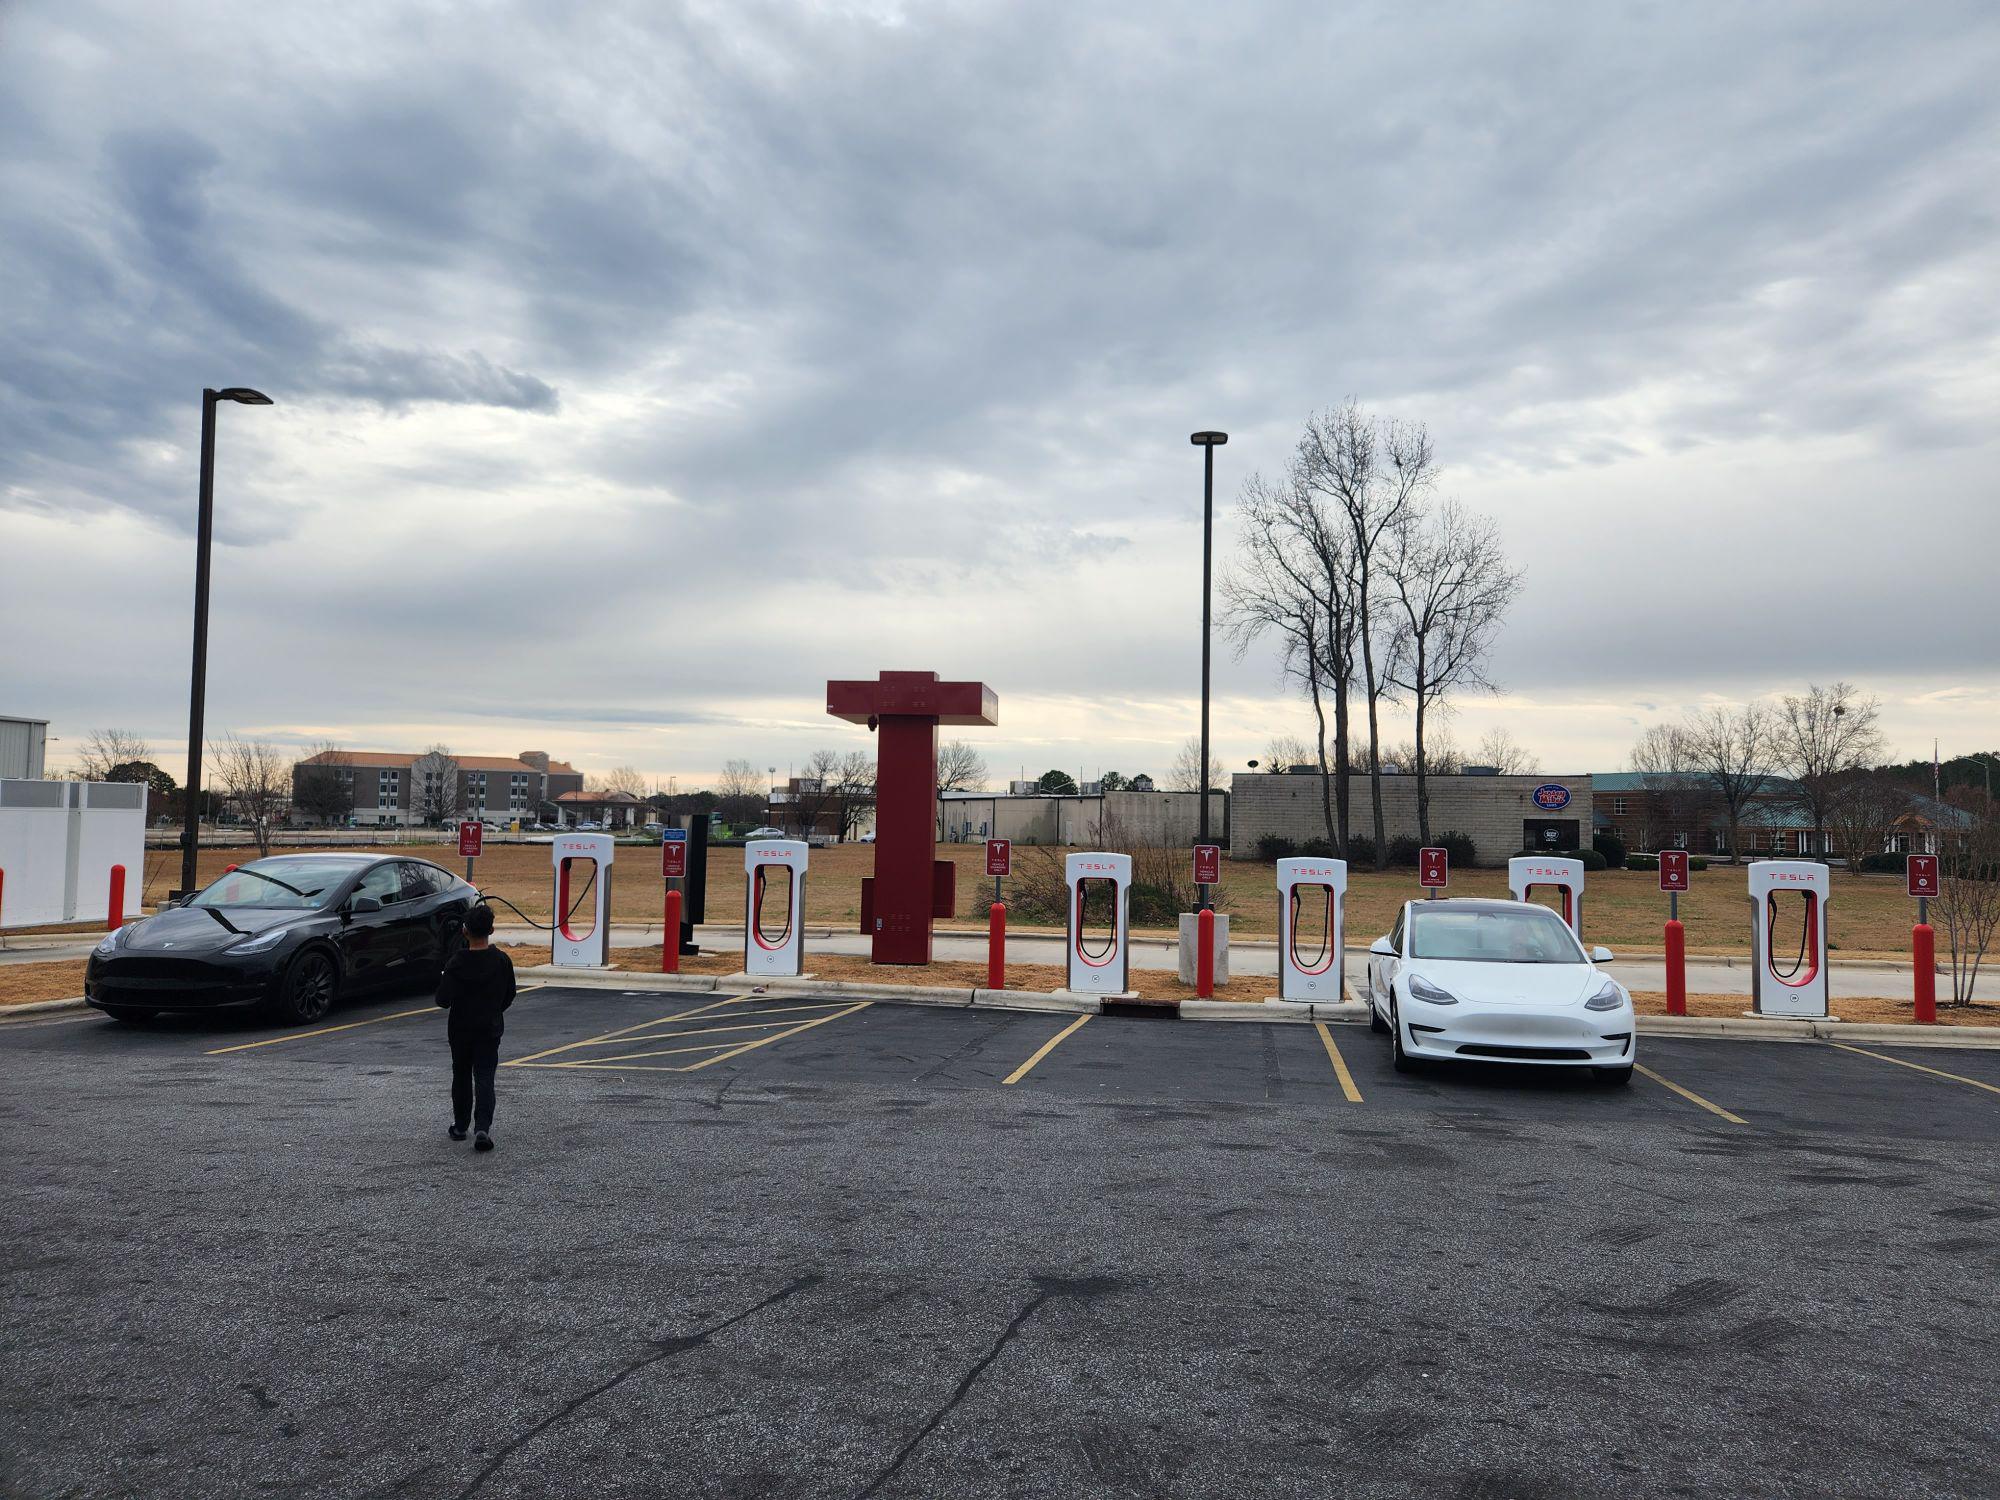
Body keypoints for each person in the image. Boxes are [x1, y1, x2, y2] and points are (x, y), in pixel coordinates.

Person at [435, 903, 515, 1151]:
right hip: (489, 1027)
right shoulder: (501, 961)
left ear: (464, 931)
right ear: (491, 930)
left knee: (461, 1074)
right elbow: (510, 994)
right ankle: (482, 1127)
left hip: (461, 1028)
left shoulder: (457, 962)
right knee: (485, 1075)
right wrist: (495, 1010)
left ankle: (460, 1125)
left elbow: (442, 1000)